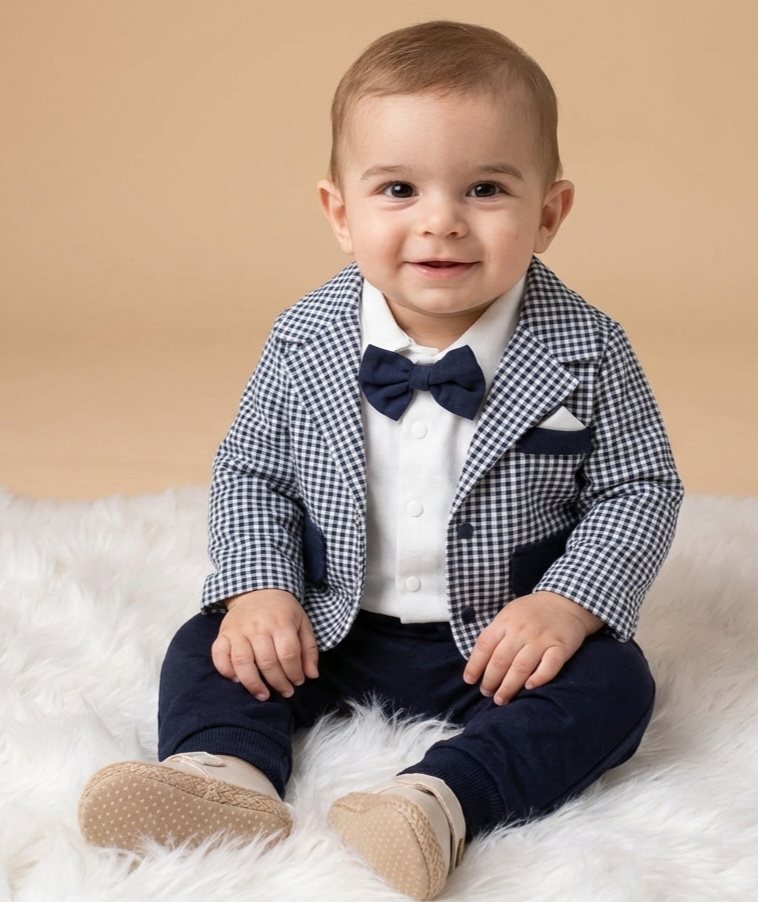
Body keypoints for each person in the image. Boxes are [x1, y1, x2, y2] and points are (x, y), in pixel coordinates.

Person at [78, 20, 683, 901]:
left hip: (501, 640)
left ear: (549, 214)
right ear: (340, 213)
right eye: (398, 189)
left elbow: (640, 486)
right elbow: (251, 473)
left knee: (616, 685)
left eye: (485, 189)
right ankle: (222, 774)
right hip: (333, 627)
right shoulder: (304, 340)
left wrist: (566, 604)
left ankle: (440, 799)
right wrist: (262, 589)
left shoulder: (585, 349)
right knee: (209, 643)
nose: (441, 221)